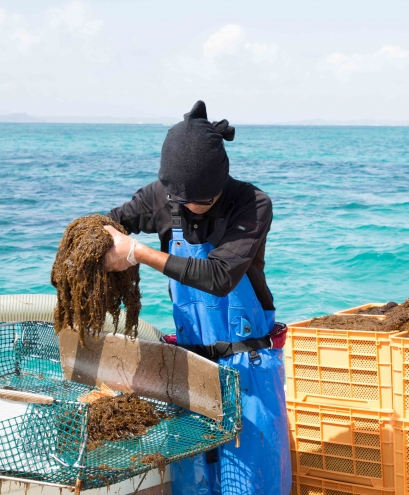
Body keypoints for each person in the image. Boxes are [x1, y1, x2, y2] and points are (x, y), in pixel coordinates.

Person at [102, 101, 291, 495]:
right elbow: (110, 223)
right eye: (184, 201)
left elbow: (220, 277)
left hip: (248, 370)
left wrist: (137, 253)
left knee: (250, 482)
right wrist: (98, 245)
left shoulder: (253, 205)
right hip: (188, 371)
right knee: (195, 484)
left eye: (203, 200)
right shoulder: (161, 198)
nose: (192, 208)